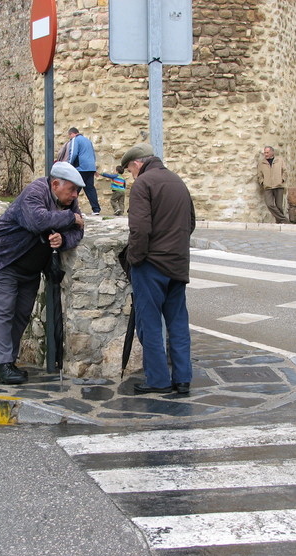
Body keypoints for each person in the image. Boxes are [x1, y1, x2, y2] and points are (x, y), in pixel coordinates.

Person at [0, 161, 85, 384]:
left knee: (21, 315)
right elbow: (37, 221)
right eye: (72, 190)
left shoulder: (69, 202)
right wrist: (70, 219)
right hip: (5, 260)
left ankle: (5, 362)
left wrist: (63, 239)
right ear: (55, 184)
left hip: (30, 268)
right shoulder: (35, 192)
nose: (75, 195)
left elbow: (79, 231)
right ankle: (4, 364)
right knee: (3, 313)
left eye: (77, 191)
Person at [120, 143, 196, 395]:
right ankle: (183, 378)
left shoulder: (143, 184)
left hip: (151, 265)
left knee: (150, 323)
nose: (131, 175)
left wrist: (135, 259)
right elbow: (190, 223)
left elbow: (140, 229)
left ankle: (158, 380)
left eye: (130, 169)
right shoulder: (177, 181)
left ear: (137, 163)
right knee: (178, 322)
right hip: (178, 263)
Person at [67, 127, 101, 215]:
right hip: (90, 168)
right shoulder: (88, 141)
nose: (70, 138)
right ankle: (96, 209)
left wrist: (69, 164)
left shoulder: (75, 139)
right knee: (90, 189)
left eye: (69, 136)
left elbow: (73, 153)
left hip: (81, 168)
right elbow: (93, 154)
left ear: (72, 134)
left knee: (75, 188)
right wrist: (94, 168)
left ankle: (71, 209)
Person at [257, 145, 289, 223]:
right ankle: (284, 220)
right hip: (267, 187)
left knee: (279, 206)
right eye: (265, 152)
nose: (266, 154)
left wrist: (282, 179)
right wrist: (262, 182)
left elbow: (285, 171)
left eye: (267, 152)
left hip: (278, 186)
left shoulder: (279, 160)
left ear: (272, 152)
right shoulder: (262, 163)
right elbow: (259, 174)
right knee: (269, 204)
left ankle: (279, 222)